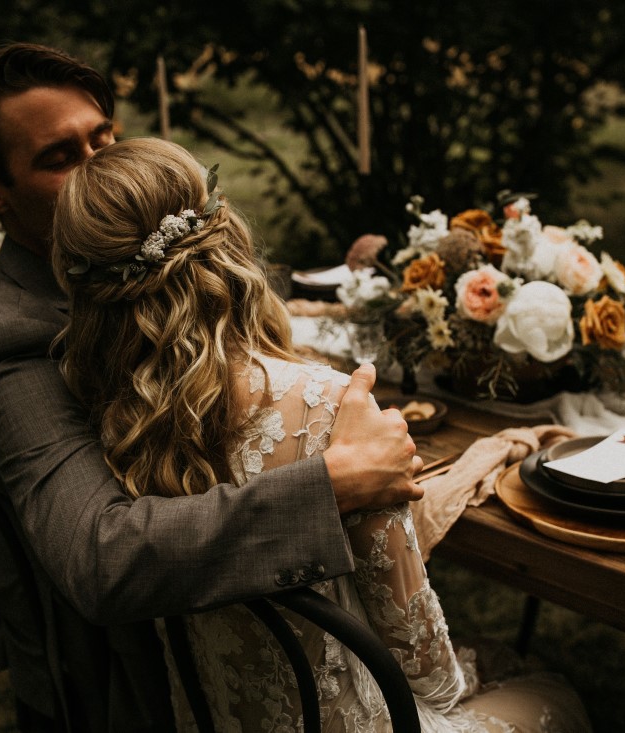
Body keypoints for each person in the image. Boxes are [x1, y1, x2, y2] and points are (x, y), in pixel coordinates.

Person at [0, 42, 424, 731]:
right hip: (125, 669)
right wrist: (335, 483)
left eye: (103, 138)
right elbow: (100, 555)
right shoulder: (19, 338)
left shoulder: (97, 275)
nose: (99, 168)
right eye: (59, 157)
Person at [49, 137, 592, 732]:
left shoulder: (111, 415)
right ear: (225, 234)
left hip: (210, 721)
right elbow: (430, 673)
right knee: (554, 693)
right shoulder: (332, 407)